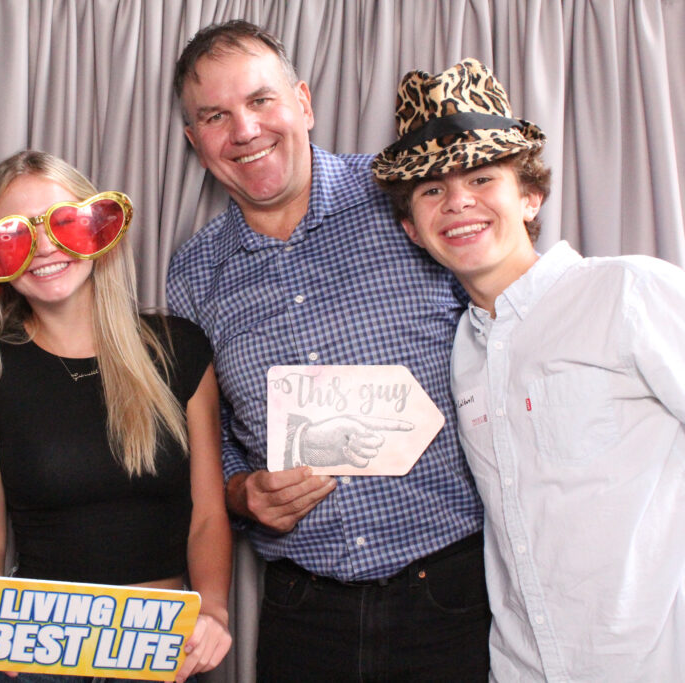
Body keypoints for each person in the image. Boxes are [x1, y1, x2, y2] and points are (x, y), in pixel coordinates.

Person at [167, 20, 489, 681]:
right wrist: (240, 489)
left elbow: (500, 333)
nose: (246, 131)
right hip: (303, 610)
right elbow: (211, 435)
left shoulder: (408, 198)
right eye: (216, 117)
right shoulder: (194, 274)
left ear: (303, 103)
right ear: (198, 145)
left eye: (261, 101)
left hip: (453, 593)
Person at [373, 57, 685, 681]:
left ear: (530, 195)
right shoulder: (462, 350)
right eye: (432, 190)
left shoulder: (627, 292)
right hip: (520, 668)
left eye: (482, 178)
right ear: (412, 228)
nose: (458, 202)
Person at [0, 150, 232, 683]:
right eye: (15, 237)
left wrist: (213, 608)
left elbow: (209, 514)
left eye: (63, 223)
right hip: (34, 650)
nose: (45, 249)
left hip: (163, 644)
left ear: (99, 229)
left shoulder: (179, 349)